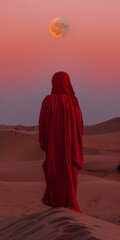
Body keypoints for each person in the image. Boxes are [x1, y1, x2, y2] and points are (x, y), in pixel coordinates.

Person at [38, 71, 84, 214]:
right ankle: (68, 202)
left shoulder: (48, 100)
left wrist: (45, 143)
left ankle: (56, 204)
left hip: (53, 147)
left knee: (55, 171)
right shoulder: (74, 102)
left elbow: (42, 124)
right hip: (71, 149)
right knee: (69, 175)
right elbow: (79, 127)